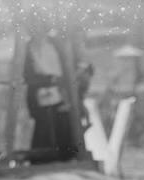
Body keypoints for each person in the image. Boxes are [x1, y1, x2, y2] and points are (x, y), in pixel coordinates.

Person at [23, 12, 93, 162]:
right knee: (45, 127)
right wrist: (50, 79)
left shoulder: (55, 44)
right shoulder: (28, 48)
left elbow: (69, 63)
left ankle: (68, 158)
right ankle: (42, 161)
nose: (37, 29)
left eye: (40, 25)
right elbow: (27, 75)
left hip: (62, 92)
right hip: (41, 92)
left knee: (64, 124)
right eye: (34, 25)